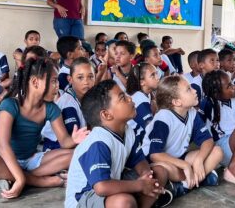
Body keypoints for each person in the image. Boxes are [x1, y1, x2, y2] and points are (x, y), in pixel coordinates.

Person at [0, 57, 89, 199]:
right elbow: (2, 144)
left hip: (30, 159)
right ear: (35, 82)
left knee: (76, 153)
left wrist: (74, 139)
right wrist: (20, 178)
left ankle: (16, 178)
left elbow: (64, 142)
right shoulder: (10, 105)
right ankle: (39, 181)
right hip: (4, 160)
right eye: (54, 81)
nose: (58, 86)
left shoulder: (51, 108)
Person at [64, 80, 171, 208]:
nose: (130, 98)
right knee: (124, 202)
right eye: (122, 97)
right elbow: (101, 187)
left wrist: (147, 177)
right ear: (106, 114)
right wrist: (141, 185)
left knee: (160, 173)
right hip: (84, 198)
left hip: (112, 183)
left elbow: (139, 160)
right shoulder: (98, 142)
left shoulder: (127, 130)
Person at [142, 76, 222, 196]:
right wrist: (185, 166)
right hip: (159, 161)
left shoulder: (192, 113)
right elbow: (155, 155)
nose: (195, 90)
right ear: (176, 102)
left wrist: (199, 160)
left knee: (217, 151)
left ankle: (185, 185)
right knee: (163, 170)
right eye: (189, 89)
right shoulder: (163, 117)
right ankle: (199, 178)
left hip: (179, 158)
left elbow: (208, 140)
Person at [42, 57, 94, 150]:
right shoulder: (68, 104)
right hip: (55, 147)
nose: (86, 82)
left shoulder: (86, 98)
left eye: (90, 77)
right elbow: (72, 140)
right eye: (80, 77)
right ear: (70, 79)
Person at [125, 62, 159, 144]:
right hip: (134, 143)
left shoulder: (147, 94)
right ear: (142, 82)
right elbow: (152, 132)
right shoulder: (140, 100)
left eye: (157, 73)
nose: (157, 78)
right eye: (152, 75)